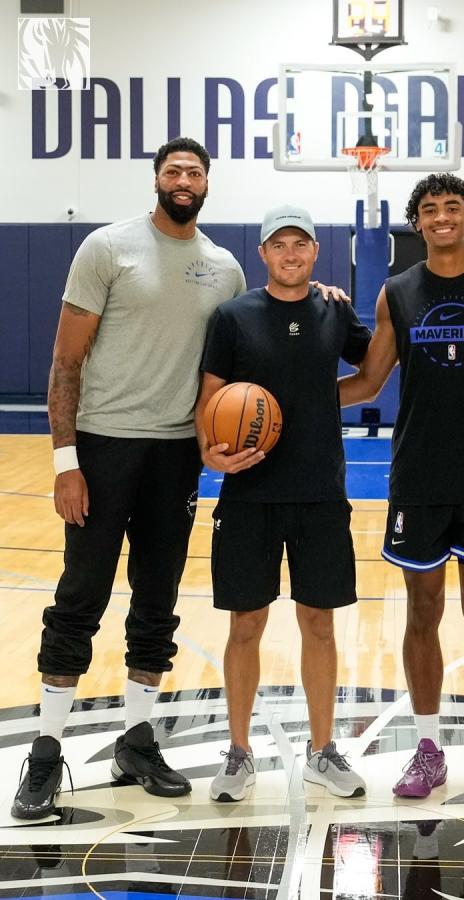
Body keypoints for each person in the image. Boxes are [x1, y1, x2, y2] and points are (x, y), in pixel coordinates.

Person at [11, 139, 343, 821]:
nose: (184, 180)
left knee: (157, 600)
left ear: (207, 184)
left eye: (194, 172)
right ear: (157, 180)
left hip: (176, 454)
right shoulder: (107, 248)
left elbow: (267, 325)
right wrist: (66, 462)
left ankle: (136, 741)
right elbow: (65, 363)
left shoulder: (223, 268)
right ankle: (45, 751)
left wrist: (321, 295)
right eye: (173, 171)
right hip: (104, 445)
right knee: (80, 596)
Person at [339, 173, 464, 800]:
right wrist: (292, 399)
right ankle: (427, 749)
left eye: (453, 207)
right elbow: (369, 381)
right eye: (430, 209)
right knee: (422, 611)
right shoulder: (397, 292)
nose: (442, 217)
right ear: (417, 223)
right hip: (419, 472)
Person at [196, 205, 371, 802]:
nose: (290, 254)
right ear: (263, 253)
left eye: (300, 244)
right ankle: (238, 752)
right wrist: (210, 451)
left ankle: (322, 751)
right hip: (250, 493)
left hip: (320, 491)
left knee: (318, 623)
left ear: (315, 252)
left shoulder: (335, 311)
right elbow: (211, 396)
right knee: (245, 624)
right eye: (279, 245)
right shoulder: (233, 316)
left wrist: (320, 397)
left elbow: (372, 373)